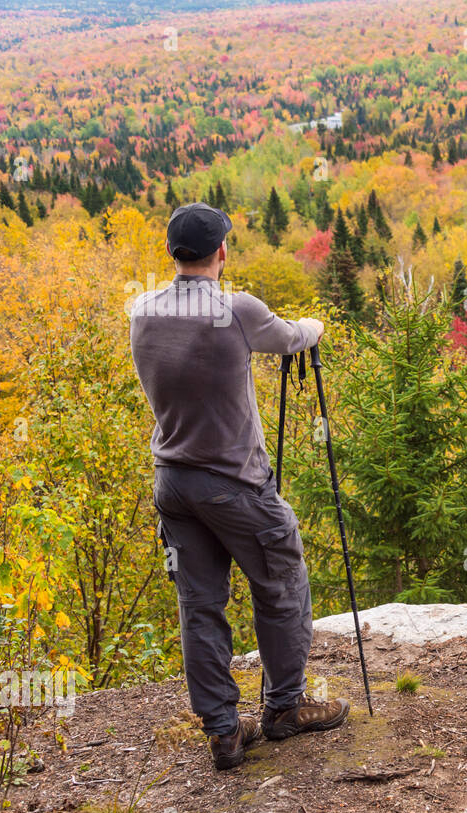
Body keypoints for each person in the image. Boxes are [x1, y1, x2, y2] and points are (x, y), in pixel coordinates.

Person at [129, 202, 349, 770]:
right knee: (280, 580)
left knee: (199, 604)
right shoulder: (239, 310)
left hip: (172, 483)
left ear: (172, 253)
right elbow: (292, 337)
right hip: (234, 484)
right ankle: (283, 708)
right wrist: (317, 326)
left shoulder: (142, 312)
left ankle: (225, 733)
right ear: (222, 251)